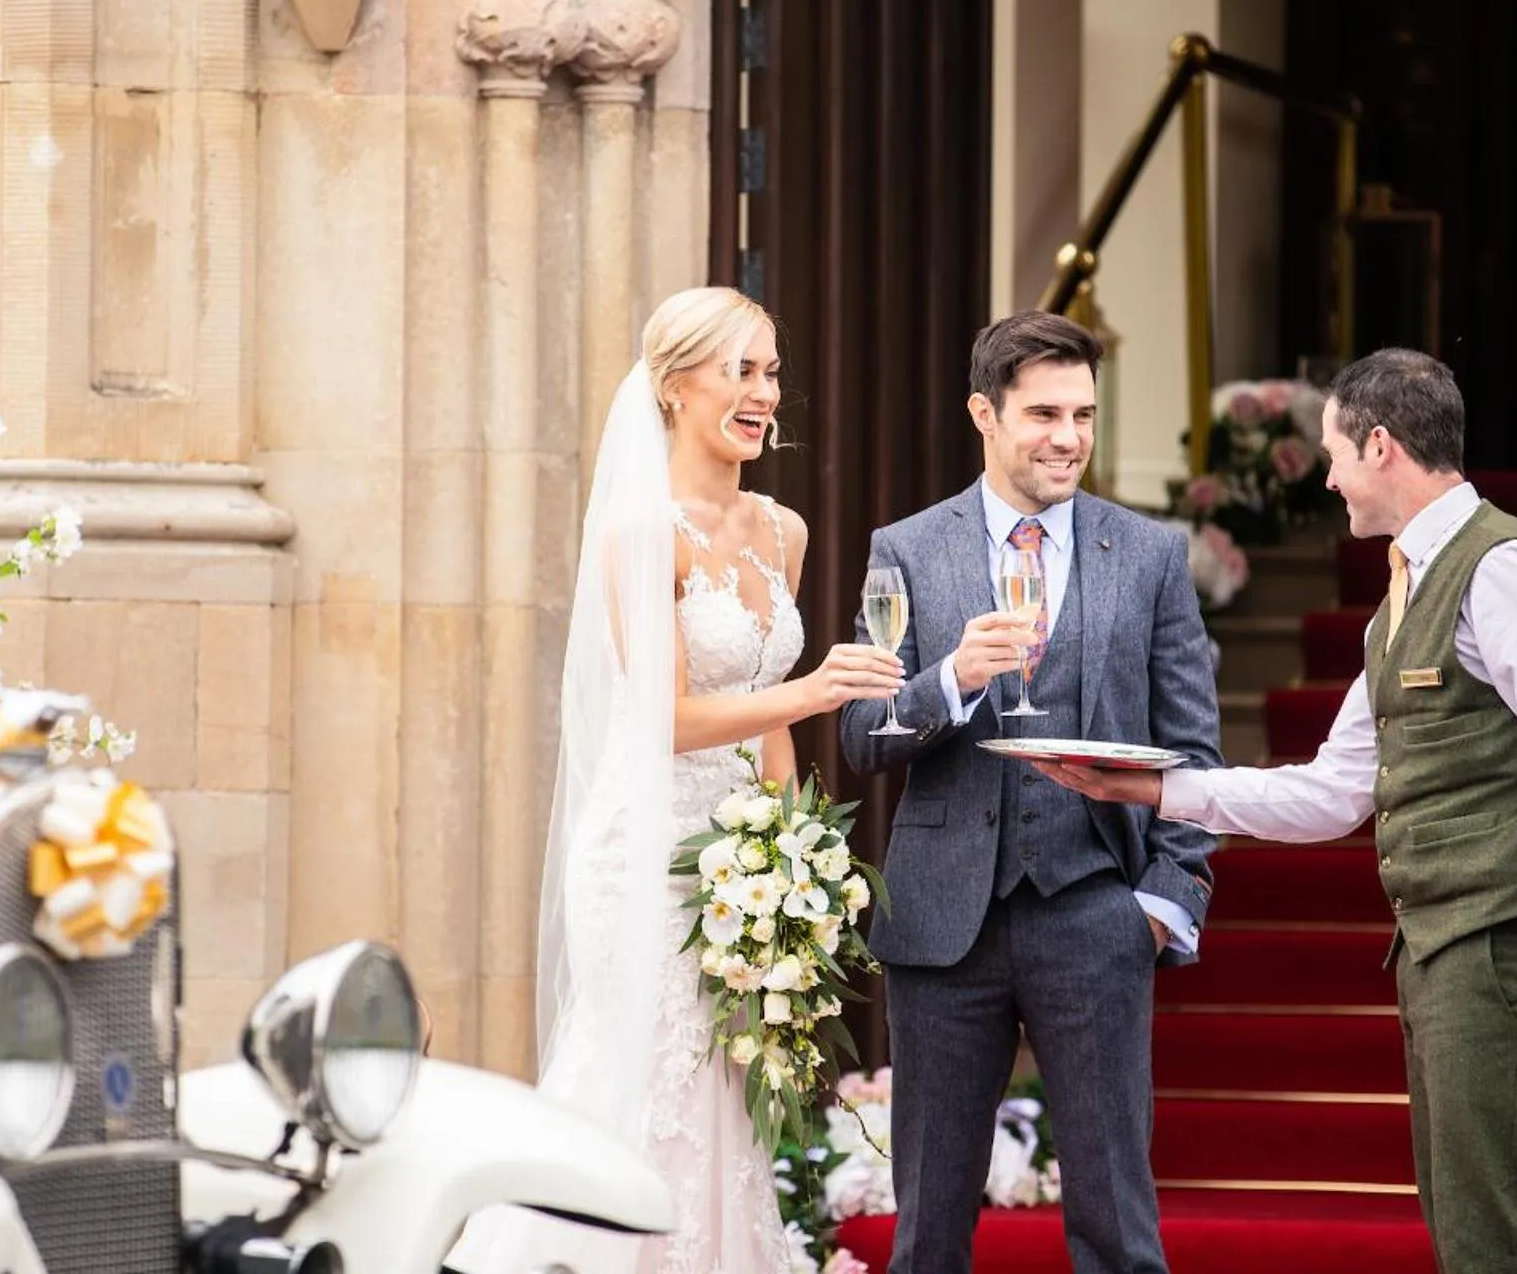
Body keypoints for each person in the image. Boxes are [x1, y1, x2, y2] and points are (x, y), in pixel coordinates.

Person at [1037, 347, 1517, 1274]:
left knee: (1493, 1228)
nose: (1326, 477)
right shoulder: (1397, 602)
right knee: (1462, 1218)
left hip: (1499, 938)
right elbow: (1330, 791)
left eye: (1334, 455)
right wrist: (1154, 787)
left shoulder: (1505, 567)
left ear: (1383, 447)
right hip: (1441, 945)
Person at [449, 287, 906, 1274]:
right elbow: (662, 719)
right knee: (646, 1085)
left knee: (728, 1100)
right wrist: (819, 689)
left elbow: (769, 705)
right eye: (740, 369)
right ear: (672, 386)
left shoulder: (782, 530)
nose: (762, 392)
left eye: (771, 370)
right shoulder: (639, 533)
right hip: (647, 857)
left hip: (745, 855)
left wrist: (801, 865)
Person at [839, 311, 1222, 1274]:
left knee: (1117, 1227)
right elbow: (859, 736)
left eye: (1084, 416)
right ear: (984, 412)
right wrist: (952, 680)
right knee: (927, 1229)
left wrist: (1162, 903)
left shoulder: (1149, 556)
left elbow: (1195, 753)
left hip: (1095, 913)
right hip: (943, 922)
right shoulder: (908, 550)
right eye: (1045, 413)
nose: (1069, 438)